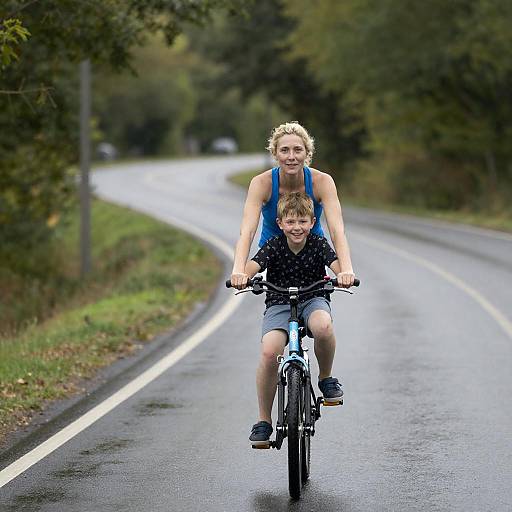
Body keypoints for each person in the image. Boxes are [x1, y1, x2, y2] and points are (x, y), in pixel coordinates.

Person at [244, 192, 346, 447]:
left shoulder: (318, 244)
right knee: (269, 353)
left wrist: (343, 273)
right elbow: (253, 265)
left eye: (302, 222)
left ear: (312, 222)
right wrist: (241, 276)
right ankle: (264, 421)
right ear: (280, 224)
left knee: (323, 326)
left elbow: (336, 265)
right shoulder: (275, 245)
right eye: (290, 222)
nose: (297, 227)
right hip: (279, 302)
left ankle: (325, 378)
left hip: (313, 298)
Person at [230, 120, 355, 291]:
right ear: (275, 153)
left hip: (311, 250)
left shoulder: (322, 182)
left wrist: (346, 270)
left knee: (316, 307)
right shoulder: (261, 183)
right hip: (272, 252)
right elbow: (247, 231)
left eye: (297, 150)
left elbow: (337, 230)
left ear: (307, 153)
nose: (291, 157)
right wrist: (239, 271)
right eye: (284, 150)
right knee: (277, 306)